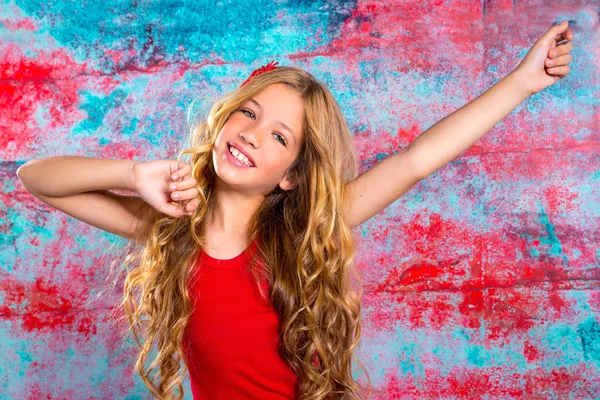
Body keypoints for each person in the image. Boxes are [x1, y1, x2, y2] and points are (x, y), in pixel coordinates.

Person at [16, 20, 575, 400]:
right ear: (224, 120)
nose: (253, 134)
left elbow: (415, 160)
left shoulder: (305, 232)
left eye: (280, 137)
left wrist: (524, 82)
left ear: (289, 175)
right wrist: (133, 174)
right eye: (249, 114)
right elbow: (37, 178)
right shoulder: (171, 231)